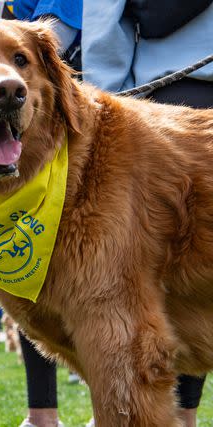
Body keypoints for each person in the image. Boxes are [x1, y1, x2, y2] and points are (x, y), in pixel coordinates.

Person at [82, 3, 213, 425]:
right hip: (174, 99)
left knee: (163, 283)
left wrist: (104, 106)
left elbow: (105, 19)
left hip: (170, 100)